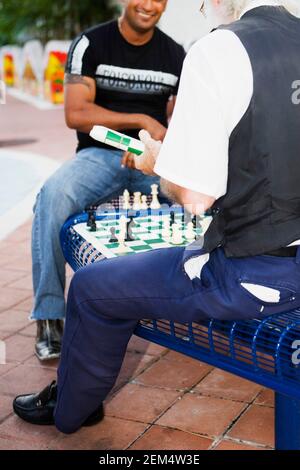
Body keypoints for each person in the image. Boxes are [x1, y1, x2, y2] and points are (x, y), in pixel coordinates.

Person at [14, 0, 300, 434]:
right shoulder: (94, 42)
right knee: (60, 196)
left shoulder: (218, 49)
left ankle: (69, 411)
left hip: (257, 275)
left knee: (92, 289)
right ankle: (50, 322)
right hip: (284, 254)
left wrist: (157, 162)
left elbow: (195, 197)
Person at [31, 0, 185, 361]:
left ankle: (194, 311)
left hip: (150, 161)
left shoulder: (174, 54)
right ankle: (50, 317)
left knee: (198, 203)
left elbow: (177, 124)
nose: (149, 5)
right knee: (52, 196)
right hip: (100, 156)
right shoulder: (91, 43)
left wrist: (155, 148)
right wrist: (142, 122)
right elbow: (76, 113)